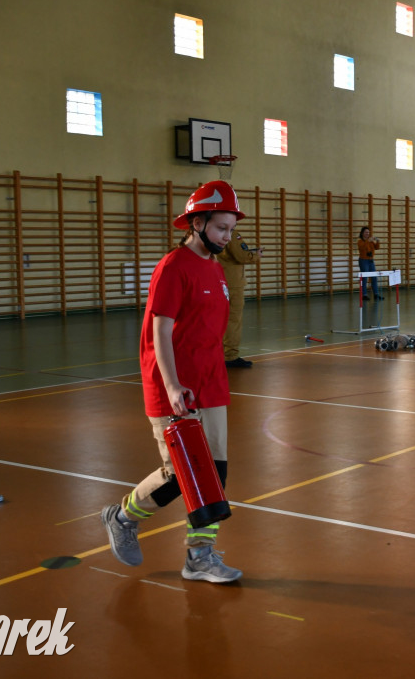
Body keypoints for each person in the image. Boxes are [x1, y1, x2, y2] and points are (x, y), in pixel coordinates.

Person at [101, 179, 244, 584]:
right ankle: (123, 516)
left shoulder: (215, 268)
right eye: (220, 228)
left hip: (210, 382)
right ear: (197, 222)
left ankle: (199, 556)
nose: (227, 237)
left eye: (231, 229)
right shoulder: (172, 267)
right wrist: (172, 385)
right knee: (180, 473)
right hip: (174, 385)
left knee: (213, 473)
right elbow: (159, 332)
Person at [217, 229, 263, 368]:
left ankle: (218, 353)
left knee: (219, 319)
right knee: (233, 319)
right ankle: (230, 356)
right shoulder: (231, 233)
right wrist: (255, 255)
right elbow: (240, 255)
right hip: (233, 283)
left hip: (217, 279)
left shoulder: (211, 230)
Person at [357, 226, 384, 300]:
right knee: (364, 278)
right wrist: (368, 241)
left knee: (374, 277)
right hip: (363, 260)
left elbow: (377, 247)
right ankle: (364, 295)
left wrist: (378, 241)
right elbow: (362, 247)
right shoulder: (360, 241)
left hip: (371, 260)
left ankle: (376, 294)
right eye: (366, 232)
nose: (367, 233)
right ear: (362, 233)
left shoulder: (370, 241)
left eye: (368, 232)